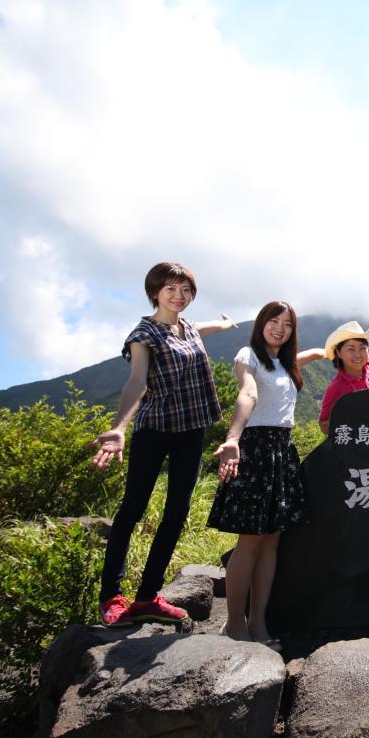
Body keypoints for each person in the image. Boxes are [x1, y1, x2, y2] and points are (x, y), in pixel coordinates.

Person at [89, 262, 237, 626]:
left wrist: (226, 323)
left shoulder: (186, 326)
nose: (179, 296)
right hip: (154, 429)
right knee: (132, 508)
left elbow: (204, 328)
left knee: (177, 512)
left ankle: (147, 597)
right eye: (171, 289)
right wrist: (119, 427)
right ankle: (111, 596)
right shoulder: (144, 334)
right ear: (155, 291)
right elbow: (137, 381)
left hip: (191, 430)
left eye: (186, 290)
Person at [209, 301, 326, 648]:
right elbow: (248, 393)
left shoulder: (285, 363)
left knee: (272, 540)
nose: (279, 328)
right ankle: (234, 624)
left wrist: (342, 347)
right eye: (273, 321)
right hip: (257, 446)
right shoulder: (249, 355)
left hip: (283, 448)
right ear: (261, 323)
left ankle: (258, 622)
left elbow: (313, 355)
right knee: (250, 540)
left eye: (287, 324)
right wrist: (233, 438)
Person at [318, 321, 369, 434]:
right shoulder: (336, 387)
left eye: (362, 348)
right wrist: (351, 416)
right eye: (351, 349)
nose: (358, 354)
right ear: (339, 353)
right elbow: (323, 425)